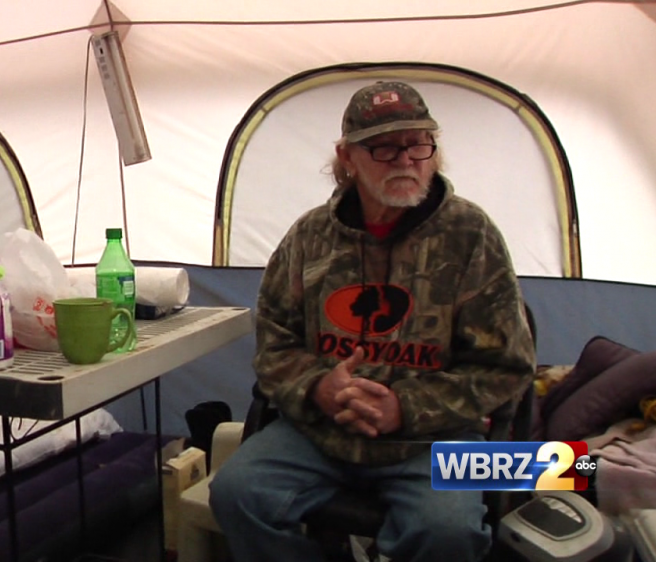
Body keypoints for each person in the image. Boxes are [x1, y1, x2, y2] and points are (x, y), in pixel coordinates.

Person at [208, 81, 536, 562]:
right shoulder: (309, 238)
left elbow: (507, 368)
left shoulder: (471, 235)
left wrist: (403, 407)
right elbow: (274, 347)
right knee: (237, 494)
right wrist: (319, 387)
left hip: (437, 436)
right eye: (383, 146)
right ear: (347, 158)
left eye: (418, 143)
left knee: (446, 531)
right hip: (322, 431)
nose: (405, 158)